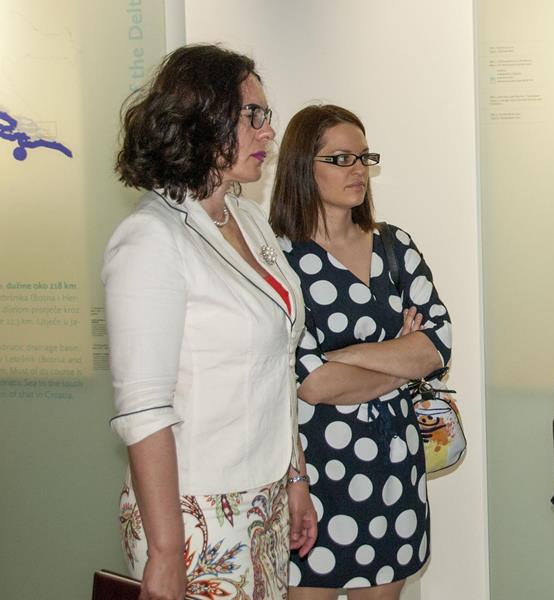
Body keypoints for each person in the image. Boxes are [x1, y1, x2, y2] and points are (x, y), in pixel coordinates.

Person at [104, 44, 317, 600]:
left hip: (264, 498)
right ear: (201, 117)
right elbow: (144, 409)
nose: (269, 131)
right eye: (253, 114)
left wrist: (295, 479)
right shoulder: (151, 238)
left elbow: (279, 365)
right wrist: (166, 552)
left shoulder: (248, 219)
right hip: (192, 513)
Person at [269, 104, 452, 600]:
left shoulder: (394, 245)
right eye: (341, 159)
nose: (358, 170)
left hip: (395, 464)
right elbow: (313, 383)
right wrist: (398, 356)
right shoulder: (279, 259)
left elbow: (437, 344)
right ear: (301, 166)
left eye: (364, 157)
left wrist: (341, 355)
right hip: (314, 474)